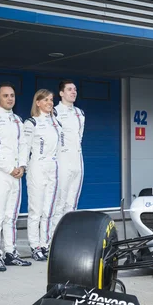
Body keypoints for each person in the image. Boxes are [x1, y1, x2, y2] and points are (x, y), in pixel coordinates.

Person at [0, 82, 32, 271]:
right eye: (5, 95)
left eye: (12, 95)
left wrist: (22, 165)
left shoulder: (18, 120)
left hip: (16, 175)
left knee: (11, 216)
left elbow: (24, 145)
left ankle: (11, 252)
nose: (10, 98)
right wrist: (9, 168)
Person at [24, 89, 61, 261]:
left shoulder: (56, 123)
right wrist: (22, 166)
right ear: (37, 102)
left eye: (51, 100)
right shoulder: (31, 123)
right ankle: (34, 245)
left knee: (49, 210)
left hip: (52, 167)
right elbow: (24, 147)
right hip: (37, 167)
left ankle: (45, 244)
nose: (49, 102)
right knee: (36, 210)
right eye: (45, 100)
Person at [53, 79, 85, 228]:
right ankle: (53, 237)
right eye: (70, 89)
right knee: (59, 202)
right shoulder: (54, 112)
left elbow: (80, 137)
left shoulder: (80, 113)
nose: (74, 92)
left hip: (77, 160)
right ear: (61, 93)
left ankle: (68, 235)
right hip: (62, 160)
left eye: (75, 89)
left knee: (72, 202)